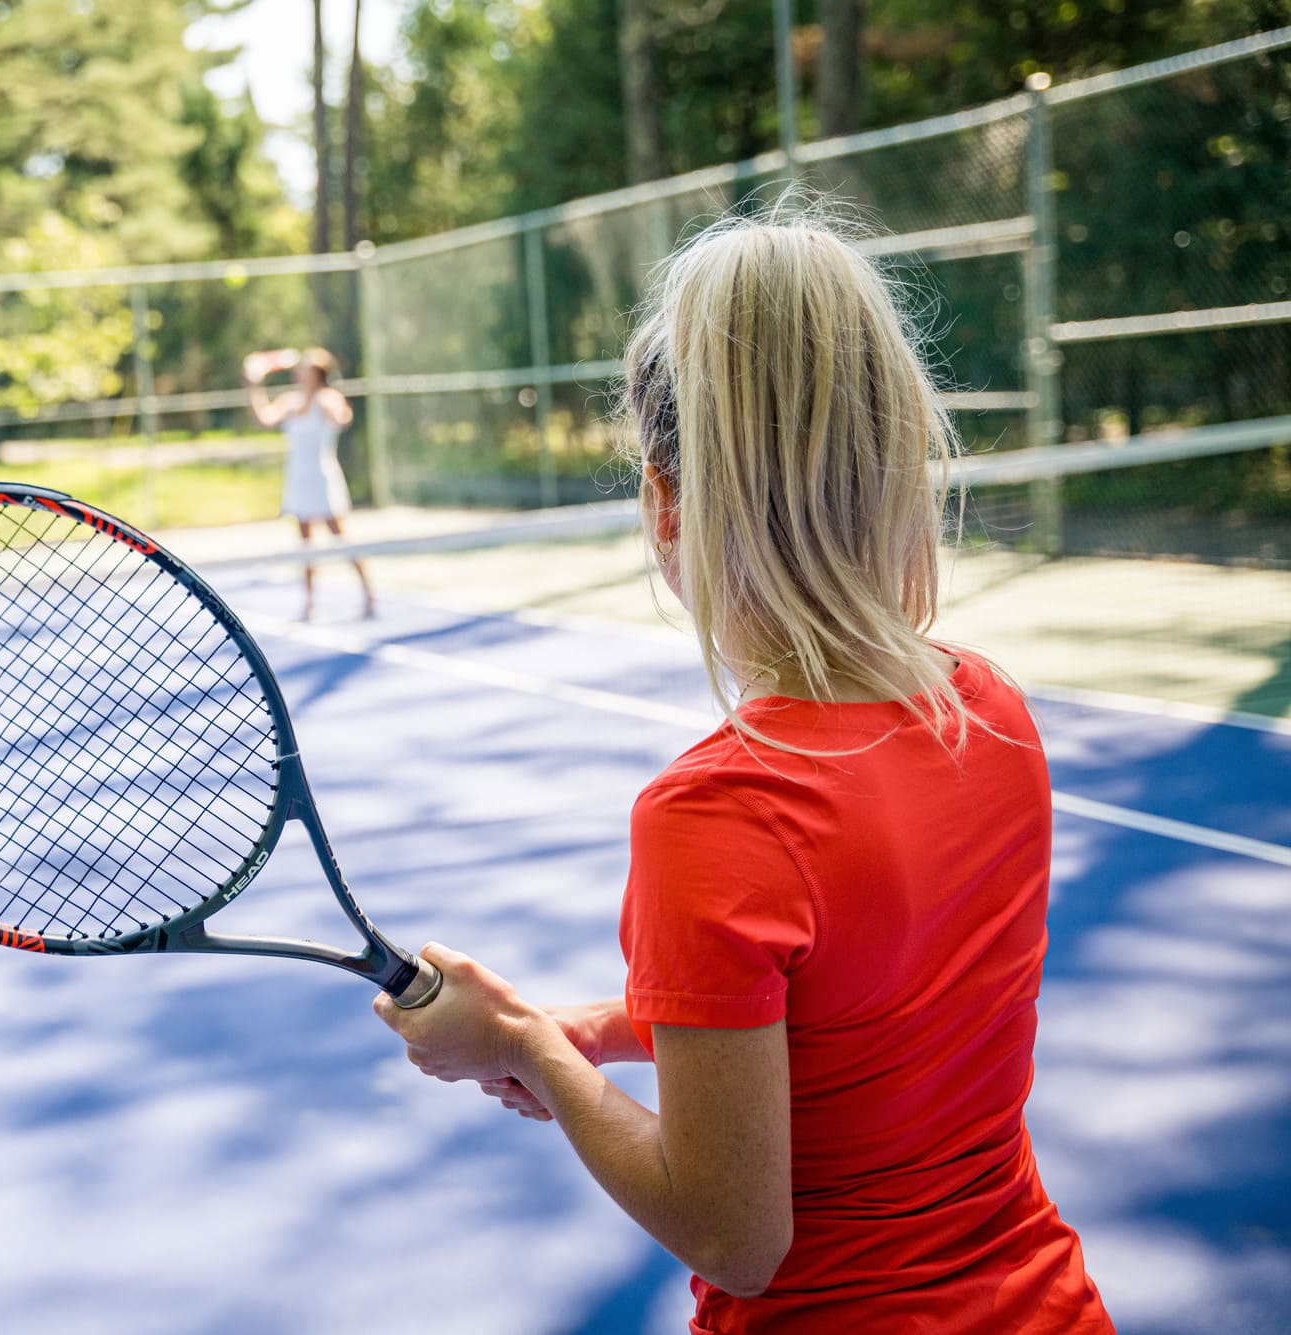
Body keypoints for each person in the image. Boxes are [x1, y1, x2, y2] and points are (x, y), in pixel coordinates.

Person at [373, 206, 1113, 1333]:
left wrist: (524, 1047)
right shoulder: (989, 709)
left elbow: (734, 1239)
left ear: (665, 503)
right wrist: (601, 1030)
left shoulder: (714, 812)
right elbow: (850, 1008)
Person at [243, 345, 375, 621]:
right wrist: (254, 381)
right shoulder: (290, 401)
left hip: (323, 478)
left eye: (305, 368)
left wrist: (329, 404)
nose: (299, 372)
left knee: (341, 538)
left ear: (317, 373)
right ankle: (310, 603)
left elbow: (342, 417)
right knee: (305, 544)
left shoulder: (329, 398)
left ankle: (368, 593)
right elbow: (263, 417)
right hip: (299, 479)